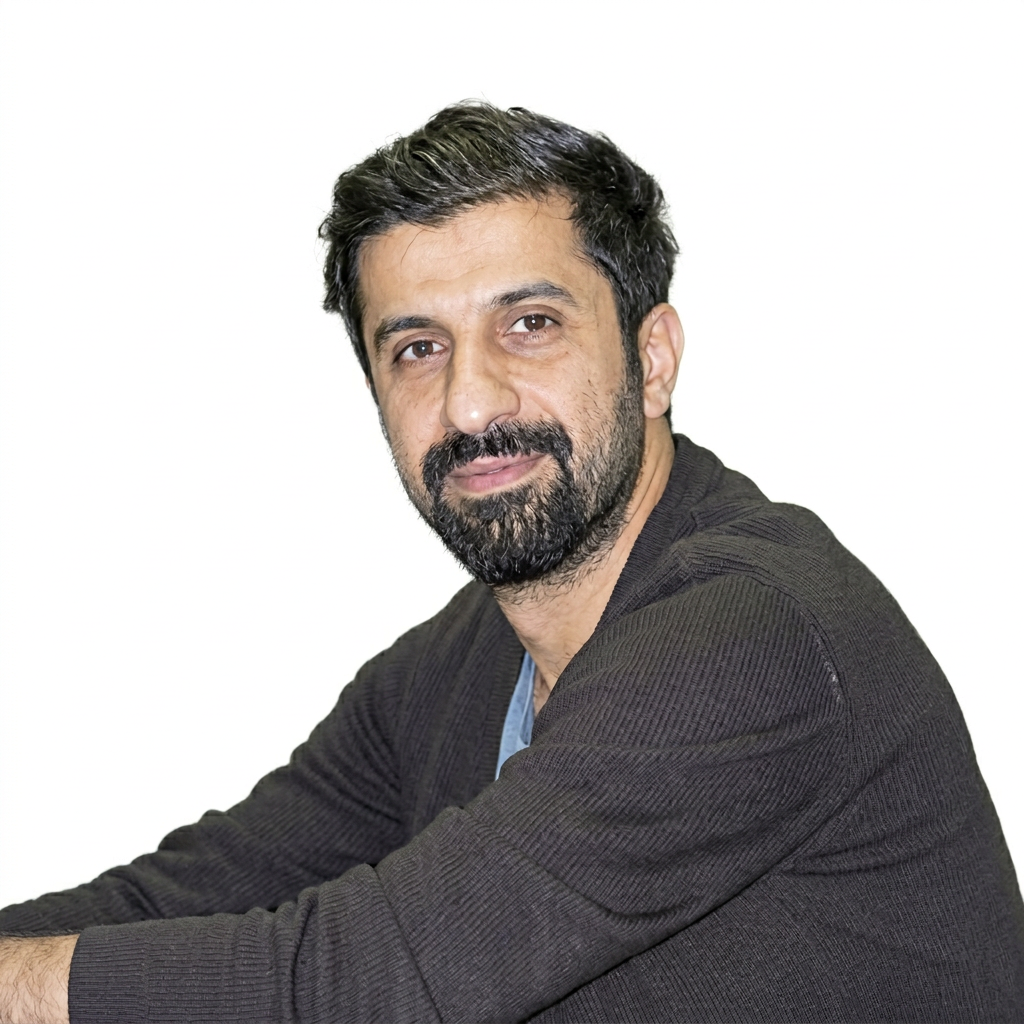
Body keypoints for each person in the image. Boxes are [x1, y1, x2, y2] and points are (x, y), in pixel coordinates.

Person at [1, 101, 1022, 1024]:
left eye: (529, 326)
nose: (471, 402)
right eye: (416, 348)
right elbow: (186, 896)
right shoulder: (451, 668)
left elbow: (365, 982)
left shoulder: (750, 633)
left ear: (652, 359)